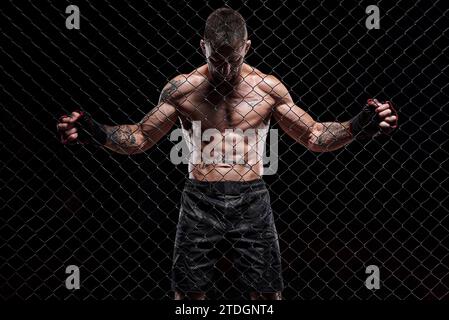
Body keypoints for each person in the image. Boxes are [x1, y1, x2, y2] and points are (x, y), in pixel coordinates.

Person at [56, 7, 398, 300]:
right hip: (199, 197)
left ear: (246, 48)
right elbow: (141, 136)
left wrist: (357, 125)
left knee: (266, 293)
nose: (224, 69)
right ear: (202, 47)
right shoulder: (181, 90)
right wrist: (96, 132)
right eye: (216, 59)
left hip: (251, 196)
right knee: (189, 295)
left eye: (232, 60)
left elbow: (313, 134)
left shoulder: (268, 89)